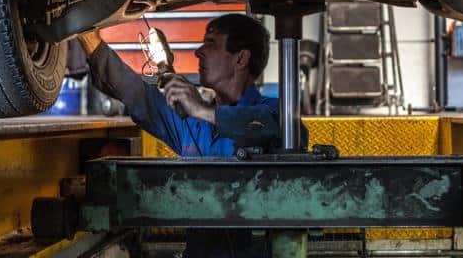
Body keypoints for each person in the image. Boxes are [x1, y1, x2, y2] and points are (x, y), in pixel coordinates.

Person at [78, 13, 308, 258]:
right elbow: (131, 91)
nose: (198, 52)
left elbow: (277, 128)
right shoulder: (190, 121)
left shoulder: (275, 112)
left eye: (210, 43)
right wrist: (83, 30)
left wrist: (203, 110)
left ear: (241, 58)